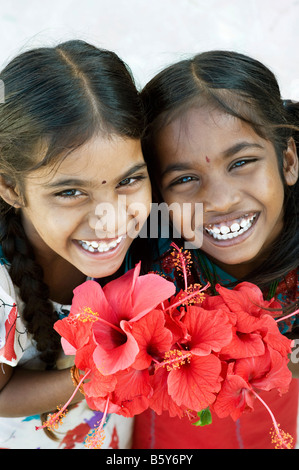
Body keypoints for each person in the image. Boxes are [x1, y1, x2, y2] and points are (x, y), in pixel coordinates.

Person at [132, 50, 299, 449]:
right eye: (186, 178)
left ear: (289, 159)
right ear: (156, 195)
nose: (221, 201)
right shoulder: (146, 271)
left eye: (241, 162)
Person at [0, 40, 152, 449]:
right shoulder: (2, 288)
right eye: (70, 192)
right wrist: (93, 375)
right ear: (10, 186)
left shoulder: (155, 240)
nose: (112, 219)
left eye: (129, 180)